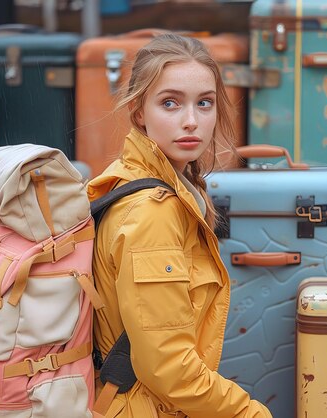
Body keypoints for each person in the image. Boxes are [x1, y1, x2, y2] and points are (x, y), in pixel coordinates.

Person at [87, 33, 273, 418]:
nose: (191, 121)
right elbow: (170, 369)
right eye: (170, 103)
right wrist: (251, 414)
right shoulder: (150, 213)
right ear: (139, 111)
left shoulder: (133, 177)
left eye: (204, 103)